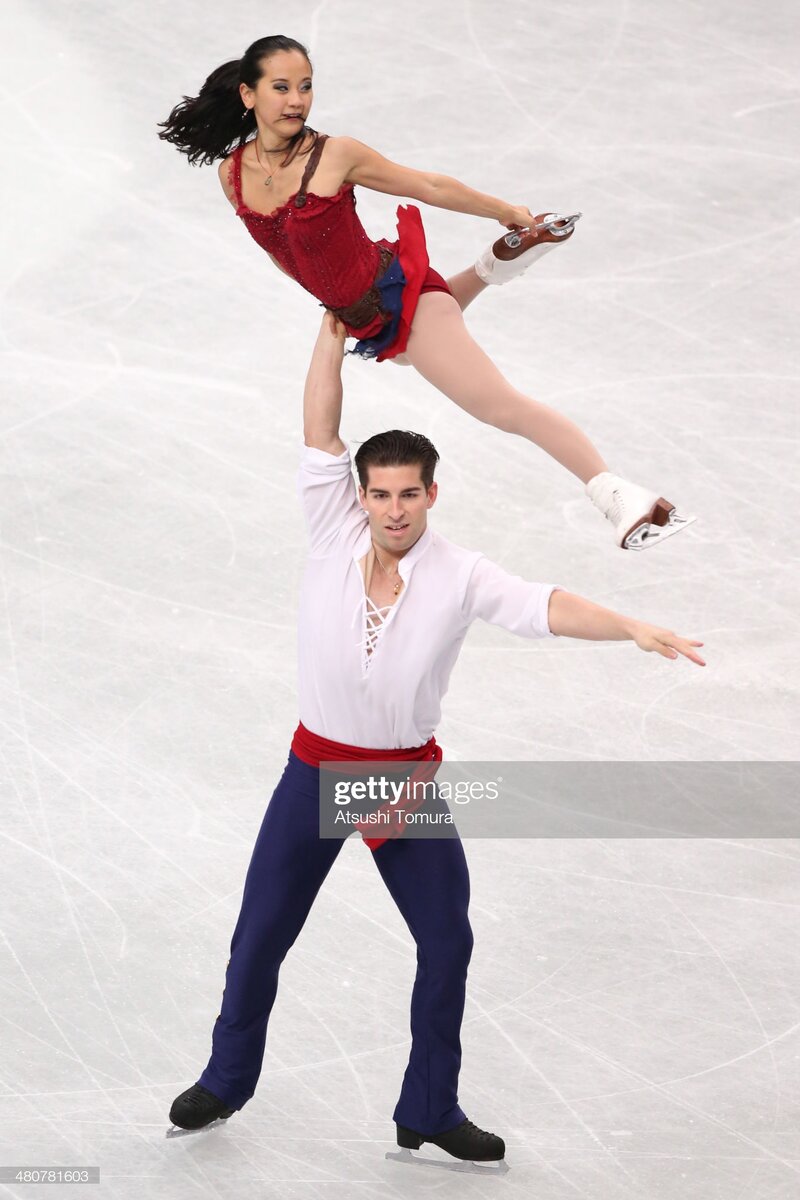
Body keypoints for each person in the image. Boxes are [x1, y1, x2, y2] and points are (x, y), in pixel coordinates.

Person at [167, 312, 705, 1163]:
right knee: (260, 935)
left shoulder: (460, 574)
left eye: (408, 494)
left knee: (447, 940)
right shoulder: (331, 528)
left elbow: (542, 604)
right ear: (361, 495)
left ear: (431, 494)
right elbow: (320, 426)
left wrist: (630, 625)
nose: (393, 510)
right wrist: (329, 334)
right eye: (379, 494)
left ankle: (429, 1106)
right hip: (313, 773)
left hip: (399, 783)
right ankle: (225, 1080)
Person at [157, 35, 694, 551]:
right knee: (409, 355)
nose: (297, 100)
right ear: (248, 94)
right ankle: (492, 265)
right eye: (281, 87)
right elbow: (280, 251)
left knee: (500, 407)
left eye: (306, 86)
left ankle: (619, 495)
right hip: (365, 316)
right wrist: (333, 304)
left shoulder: (334, 155)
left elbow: (429, 186)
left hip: (403, 301)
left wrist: (507, 211)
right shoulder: (232, 175)